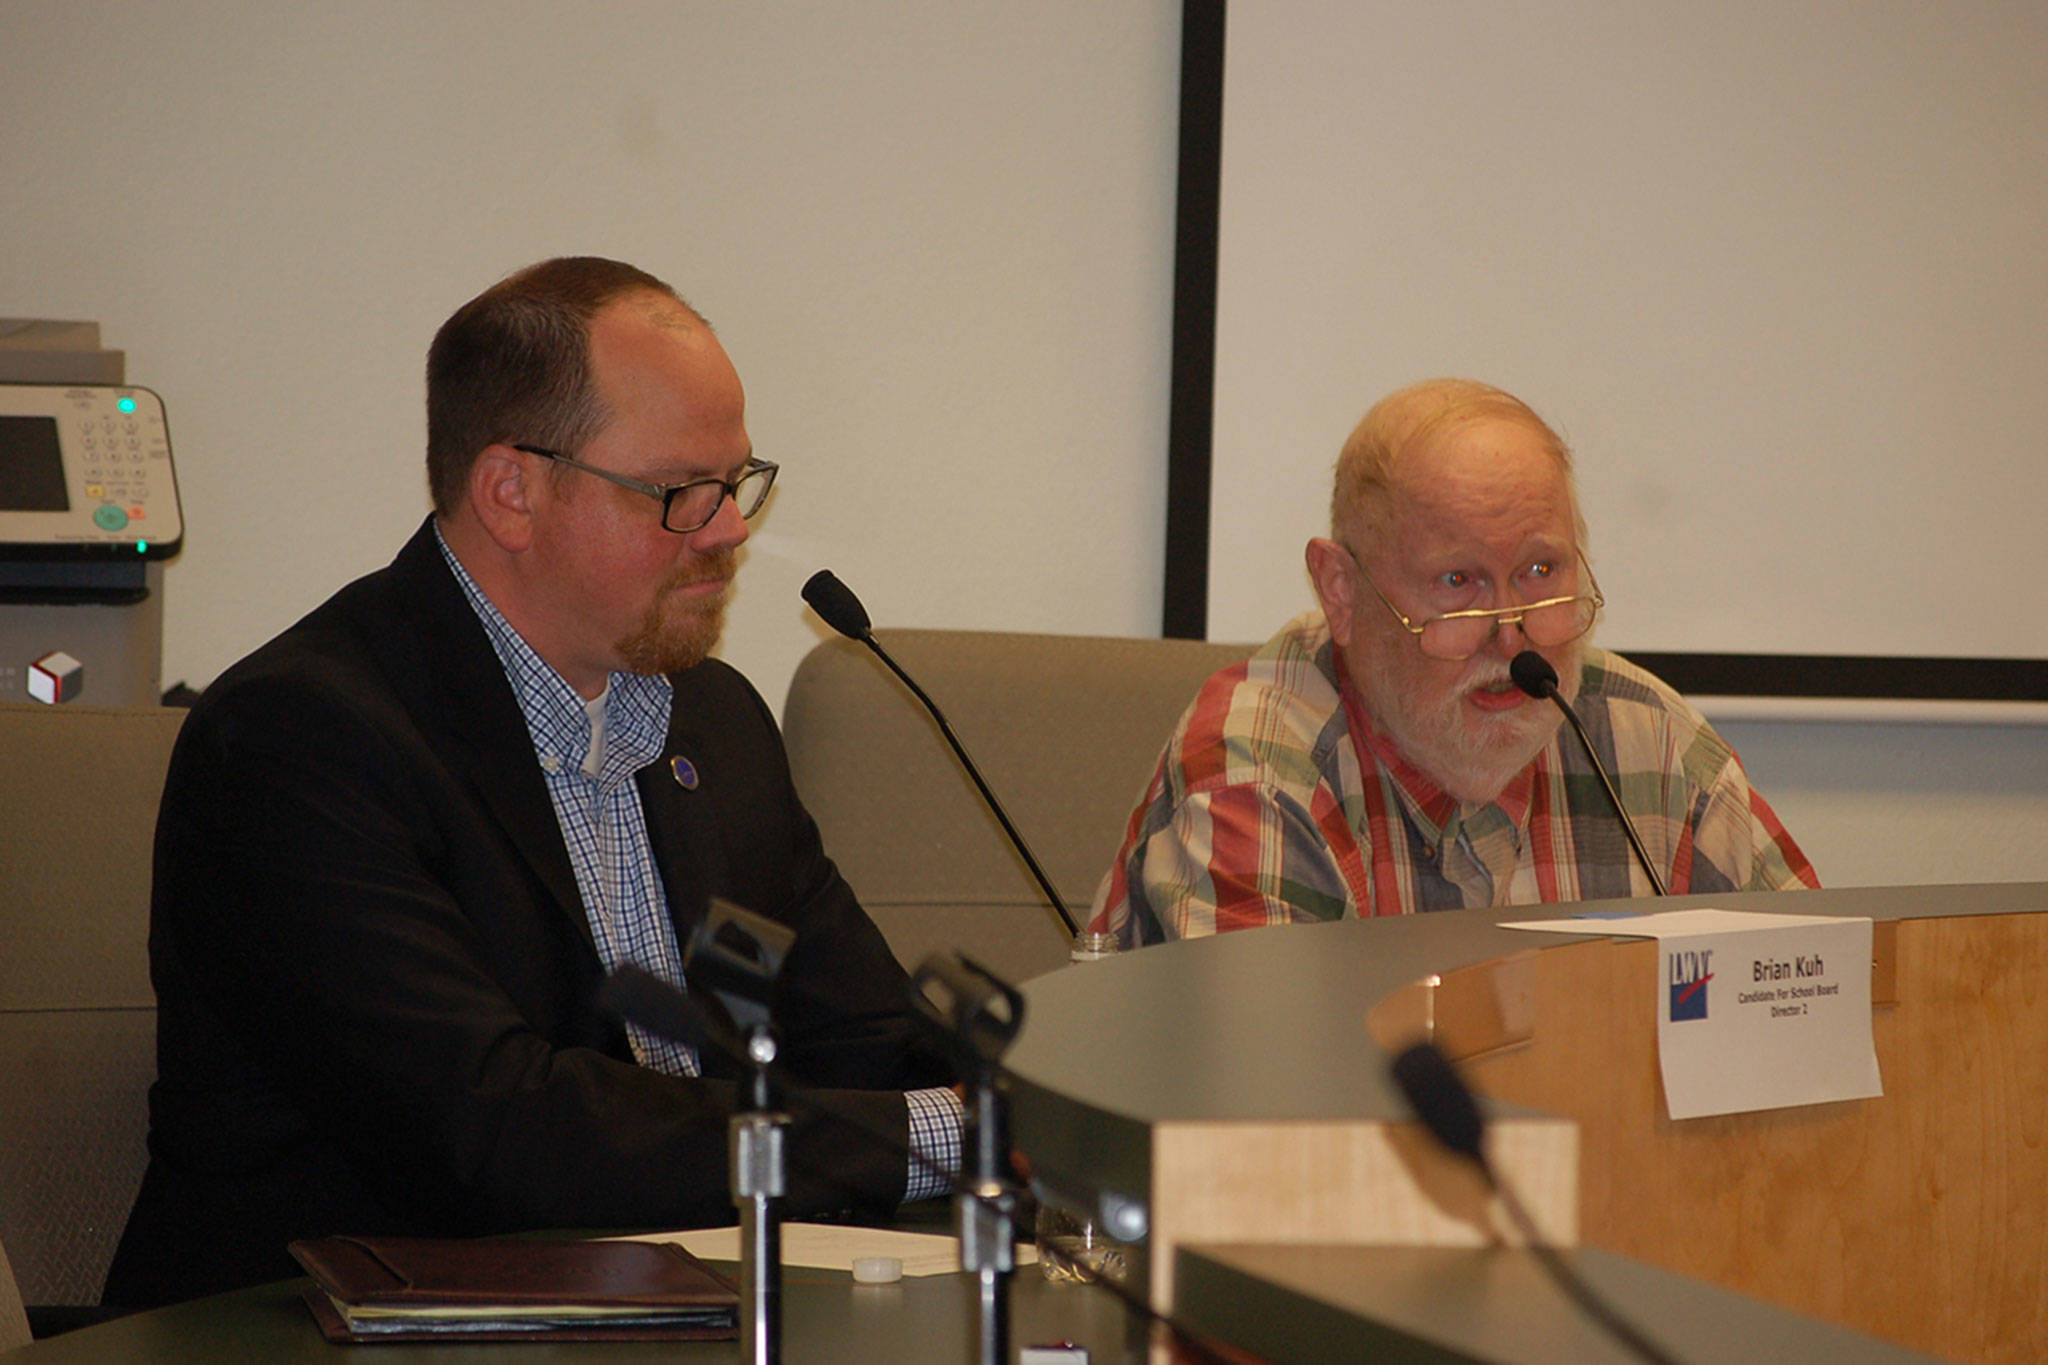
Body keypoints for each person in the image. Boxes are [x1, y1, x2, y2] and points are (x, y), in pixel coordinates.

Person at [103, 257, 960, 1308]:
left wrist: (1055, 1113)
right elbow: (500, 1134)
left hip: (665, 1307)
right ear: (510, 492)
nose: (731, 530)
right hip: (328, 1326)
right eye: (680, 492)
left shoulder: (714, 725)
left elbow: (859, 1040)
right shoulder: (299, 739)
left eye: (735, 482)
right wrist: (944, 1134)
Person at [1093, 378, 1817, 945]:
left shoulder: (1650, 744)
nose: (1513, 638)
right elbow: (1269, 1106)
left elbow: (1817, 999)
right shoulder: (1257, 776)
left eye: (1540, 570)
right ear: (1342, 592)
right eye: (1457, 583)